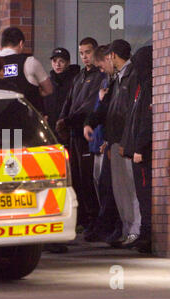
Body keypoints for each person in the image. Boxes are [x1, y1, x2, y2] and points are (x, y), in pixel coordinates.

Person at [83, 39, 141, 247]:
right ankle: (128, 231)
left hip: (125, 143)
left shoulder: (132, 76)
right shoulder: (118, 78)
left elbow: (131, 114)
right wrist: (93, 124)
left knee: (130, 189)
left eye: (108, 58)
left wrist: (127, 141)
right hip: (116, 142)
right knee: (120, 190)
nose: (105, 63)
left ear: (113, 56)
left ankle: (135, 231)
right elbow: (109, 109)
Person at [56, 37, 103, 235]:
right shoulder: (80, 76)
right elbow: (69, 101)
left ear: (96, 52)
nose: (85, 57)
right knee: (75, 178)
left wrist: (68, 120)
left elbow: (89, 105)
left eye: (88, 52)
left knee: (87, 179)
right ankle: (83, 219)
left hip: (88, 134)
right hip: (74, 134)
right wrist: (62, 120)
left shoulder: (99, 76)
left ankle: (94, 221)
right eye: (82, 53)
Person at [84, 45, 121, 244]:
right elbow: (104, 110)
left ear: (109, 58)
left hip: (115, 143)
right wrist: (89, 123)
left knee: (112, 189)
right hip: (107, 142)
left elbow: (116, 114)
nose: (100, 70)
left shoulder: (119, 81)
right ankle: (108, 226)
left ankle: (113, 227)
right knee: (105, 187)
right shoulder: (110, 81)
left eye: (101, 65)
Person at [120, 46, 153, 253]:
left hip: (143, 153)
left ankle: (147, 236)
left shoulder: (149, 86)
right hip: (136, 150)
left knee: (145, 194)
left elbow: (146, 121)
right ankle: (145, 234)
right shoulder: (141, 85)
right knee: (141, 196)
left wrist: (139, 147)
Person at [0, 27, 53, 114]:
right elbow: (49, 90)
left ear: (2, 44)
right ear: (21, 43)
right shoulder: (30, 62)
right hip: (26, 120)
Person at [43, 47, 80, 139]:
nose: (57, 64)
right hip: (51, 130)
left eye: (61, 61)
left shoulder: (76, 81)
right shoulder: (48, 82)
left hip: (70, 129)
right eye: (54, 61)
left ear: (68, 62)